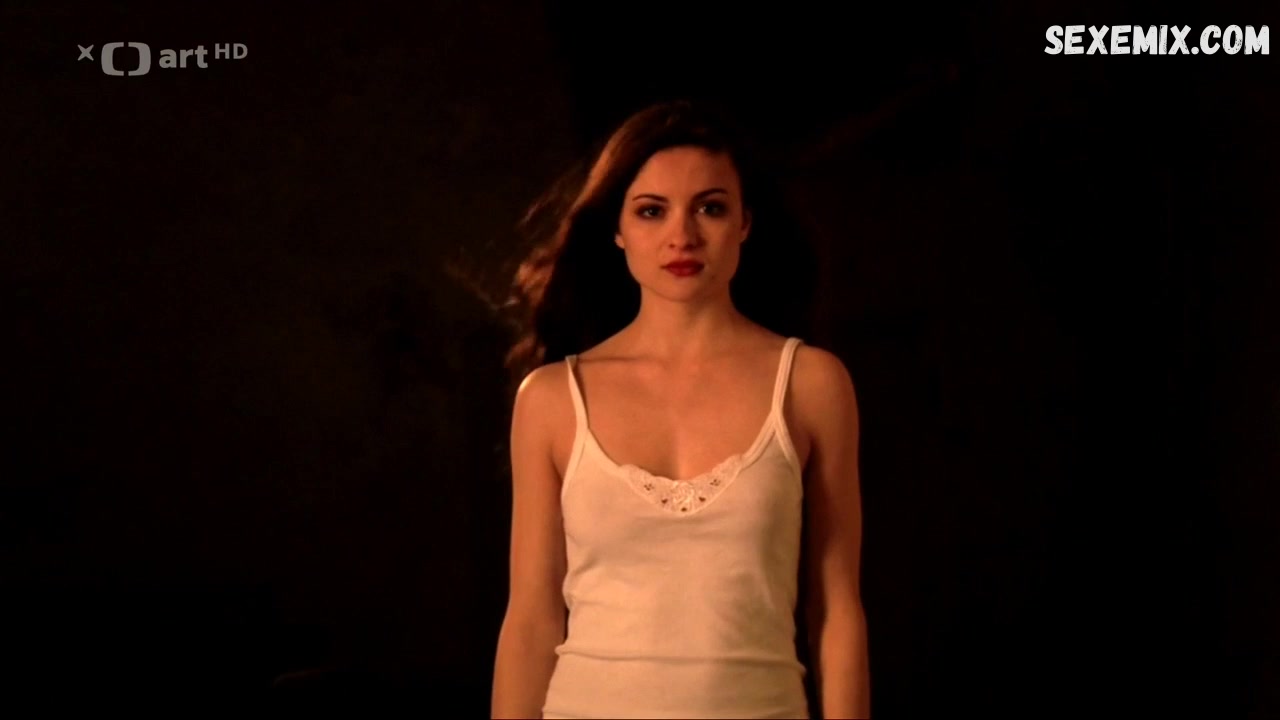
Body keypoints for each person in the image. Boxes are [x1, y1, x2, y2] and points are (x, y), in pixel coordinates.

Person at [490, 99, 869, 719]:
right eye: (651, 210)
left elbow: (837, 609)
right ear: (617, 229)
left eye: (710, 208)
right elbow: (531, 620)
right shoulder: (553, 398)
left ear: (745, 222)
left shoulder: (810, 384)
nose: (682, 236)